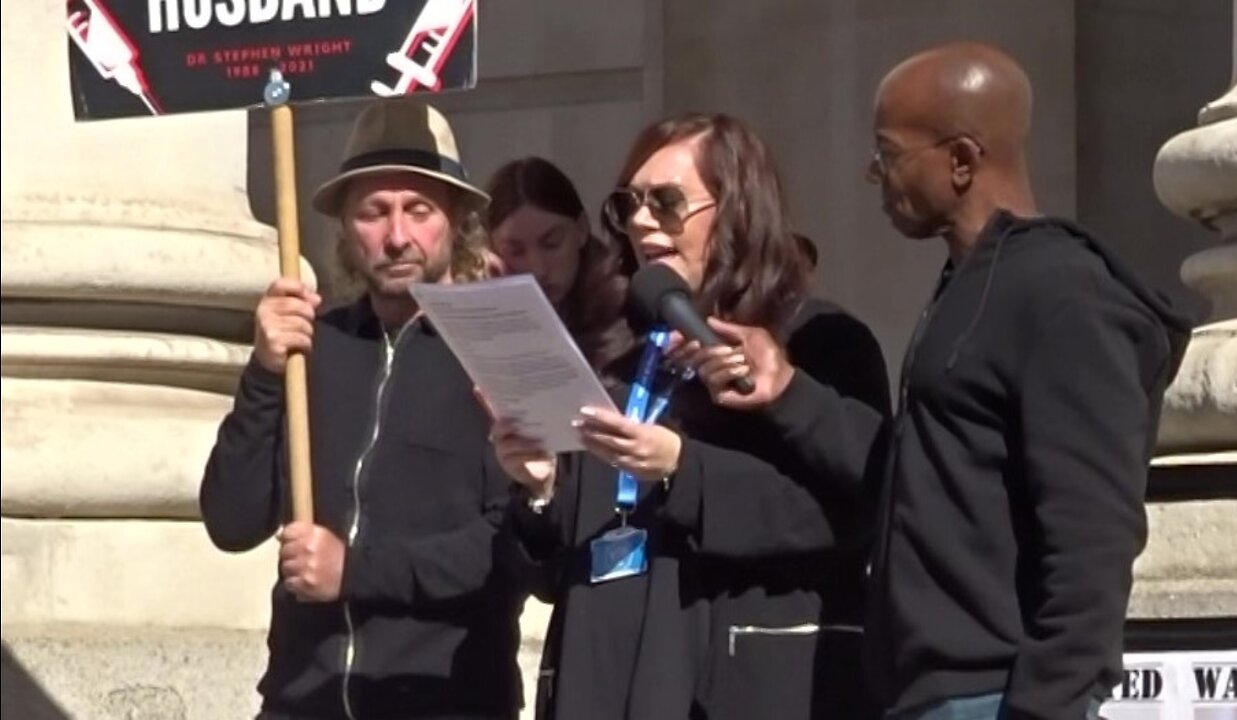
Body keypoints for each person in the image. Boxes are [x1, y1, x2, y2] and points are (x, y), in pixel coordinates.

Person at [488, 112, 892, 720]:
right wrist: (539, 490)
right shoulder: (612, 350)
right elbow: (551, 570)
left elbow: (850, 513)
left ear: (736, 211)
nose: (643, 220)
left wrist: (683, 472)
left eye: (667, 201)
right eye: (629, 204)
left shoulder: (816, 340)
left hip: (738, 684)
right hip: (603, 682)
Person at [853, 42, 1191, 719]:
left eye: (889, 156)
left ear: (961, 160)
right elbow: (928, 471)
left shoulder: (1066, 297)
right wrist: (786, 393)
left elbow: (1092, 539)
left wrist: (1043, 707)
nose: (877, 177)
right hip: (930, 693)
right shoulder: (973, 285)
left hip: (999, 697)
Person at [200, 98, 525, 719]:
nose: (397, 235)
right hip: (303, 699)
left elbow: (511, 551)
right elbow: (232, 518)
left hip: (443, 701)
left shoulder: (497, 348)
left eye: (418, 210)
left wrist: (357, 572)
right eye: (373, 212)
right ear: (346, 228)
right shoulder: (317, 350)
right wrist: (265, 370)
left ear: (455, 220)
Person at [483, 156, 633, 374]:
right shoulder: (485, 312)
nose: (538, 269)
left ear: (581, 230)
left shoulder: (627, 312)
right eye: (516, 251)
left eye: (551, 244)